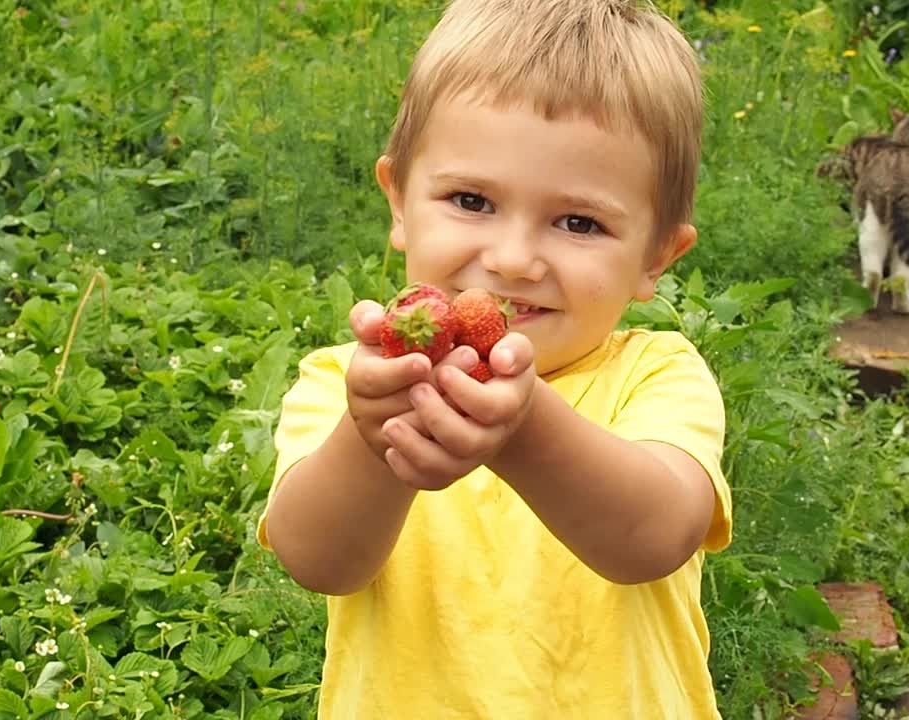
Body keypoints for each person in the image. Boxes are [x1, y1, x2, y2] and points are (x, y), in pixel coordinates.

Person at [255, 0, 732, 716]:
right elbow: (318, 561)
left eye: (580, 222)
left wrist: (525, 426)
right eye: (471, 200)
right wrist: (370, 439)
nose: (511, 261)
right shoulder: (353, 386)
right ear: (399, 202)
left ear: (656, 256)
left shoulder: (656, 376)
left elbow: (653, 538)